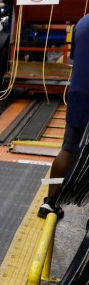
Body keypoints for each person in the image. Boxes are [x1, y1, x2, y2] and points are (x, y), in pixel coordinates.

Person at [42, 14, 89, 217]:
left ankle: (49, 202)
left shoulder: (82, 22)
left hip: (78, 94)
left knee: (67, 150)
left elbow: (75, 55)